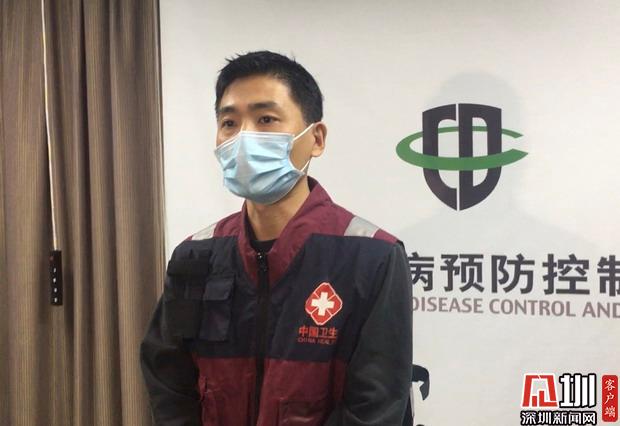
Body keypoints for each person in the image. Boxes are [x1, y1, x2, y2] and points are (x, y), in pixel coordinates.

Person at [140, 50, 414, 426]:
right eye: (229, 122)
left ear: (316, 138)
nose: (244, 137)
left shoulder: (372, 256)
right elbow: (167, 377)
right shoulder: (197, 255)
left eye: (266, 119)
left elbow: (375, 404)